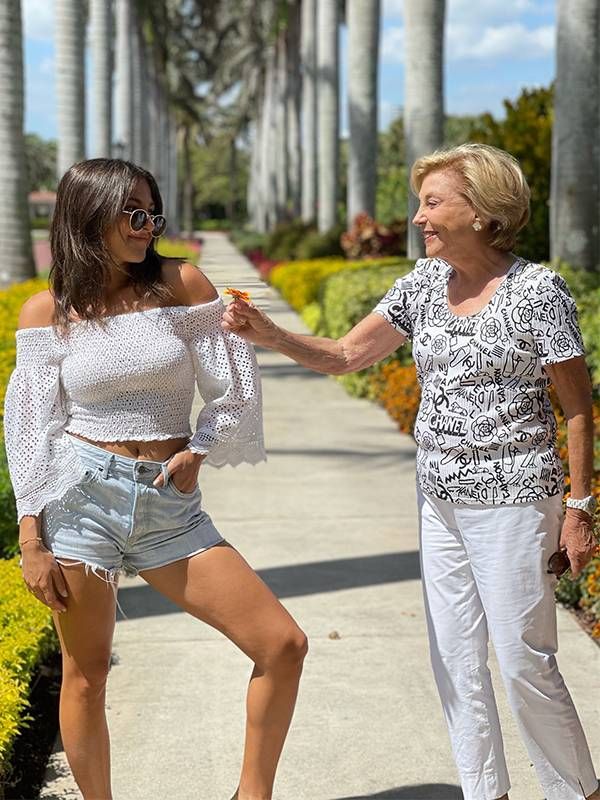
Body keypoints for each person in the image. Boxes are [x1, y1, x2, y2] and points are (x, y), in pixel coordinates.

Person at [223, 143, 599, 800]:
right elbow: (345, 354)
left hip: (514, 502)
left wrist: (580, 507)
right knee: (455, 663)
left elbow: (577, 407)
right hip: (440, 501)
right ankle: (486, 793)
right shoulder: (423, 284)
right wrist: (271, 334)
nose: (418, 217)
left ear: (481, 210)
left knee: (522, 664)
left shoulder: (538, 291)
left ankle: (577, 792)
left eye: (433, 202)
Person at [4, 158, 307, 800]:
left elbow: (234, 385)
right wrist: (32, 538)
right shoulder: (46, 311)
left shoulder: (183, 284)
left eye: (153, 213)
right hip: (79, 497)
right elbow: (31, 429)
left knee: (281, 644)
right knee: (85, 678)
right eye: (133, 214)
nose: (148, 227)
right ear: (89, 217)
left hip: (168, 502)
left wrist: (199, 449)